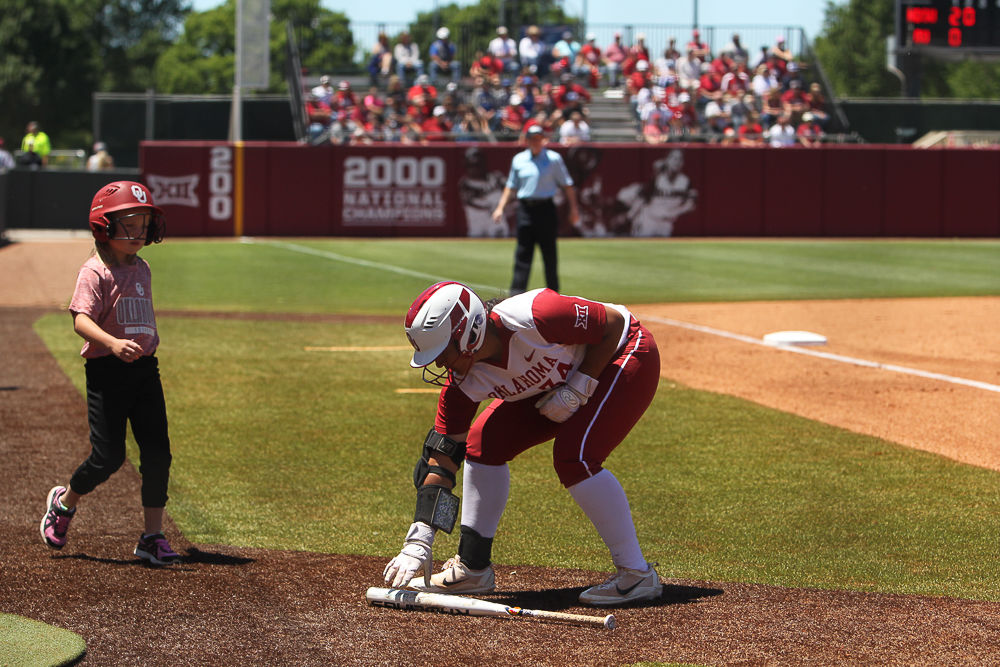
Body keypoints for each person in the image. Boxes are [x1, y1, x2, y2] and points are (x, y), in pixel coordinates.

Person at [383, 279, 664, 607]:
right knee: (482, 444)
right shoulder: (461, 385)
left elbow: (613, 326)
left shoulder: (536, 314)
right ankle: (473, 567)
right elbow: (441, 462)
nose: (440, 364)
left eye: (444, 352)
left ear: (469, 334)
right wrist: (421, 537)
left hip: (622, 351)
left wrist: (579, 385)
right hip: (558, 383)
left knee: (574, 456)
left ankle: (636, 574)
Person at [39, 180, 179, 566]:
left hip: (145, 371)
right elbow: (80, 320)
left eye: (143, 225)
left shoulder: (143, 268)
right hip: (107, 372)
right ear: (104, 226)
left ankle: (152, 536)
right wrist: (113, 343)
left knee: (158, 455)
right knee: (108, 457)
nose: (139, 233)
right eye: (129, 225)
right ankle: (64, 503)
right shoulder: (94, 271)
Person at [490, 125, 579, 295]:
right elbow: (511, 186)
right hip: (525, 210)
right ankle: (515, 297)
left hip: (546, 209)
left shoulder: (553, 159)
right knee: (522, 255)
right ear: (527, 141)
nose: (536, 142)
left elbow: (567, 185)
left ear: (543, 140)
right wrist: (500, 208)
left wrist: (573, 209)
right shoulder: (519, 160)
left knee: (549, 255)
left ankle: (554, 298)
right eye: (532, 139)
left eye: (539, 138)